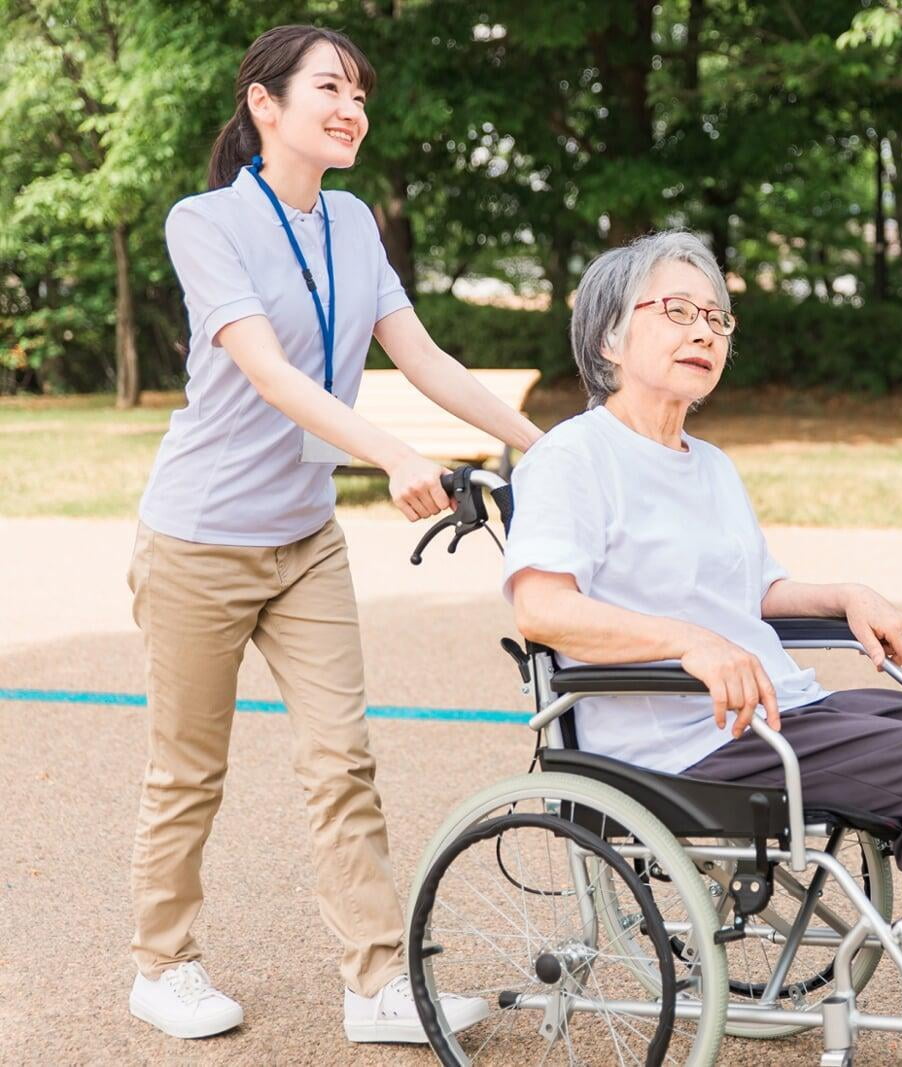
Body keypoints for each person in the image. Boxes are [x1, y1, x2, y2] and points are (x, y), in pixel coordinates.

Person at [502, 230, 902, 1067]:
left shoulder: (709, 464)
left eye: (718, 319)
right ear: (611, 336)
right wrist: (688, 641)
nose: (704, 333)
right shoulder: (572, 457)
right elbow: (542, 607)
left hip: (769, 708)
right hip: (676, 739)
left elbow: (754, 594)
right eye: (678, 312)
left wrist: (842, 595)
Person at [126, 24, 538, 1043]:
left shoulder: (353, 222)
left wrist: (548, 442)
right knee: (189, 770)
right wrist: (394, 456)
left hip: (303, 539)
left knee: (341, 759)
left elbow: (424, 354)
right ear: (265, 104)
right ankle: (163, 964)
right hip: (198, 539)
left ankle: (376, 982)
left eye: (361, 92)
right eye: (329, 87)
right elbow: (270, 372)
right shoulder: (205, 222)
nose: (352, 105)